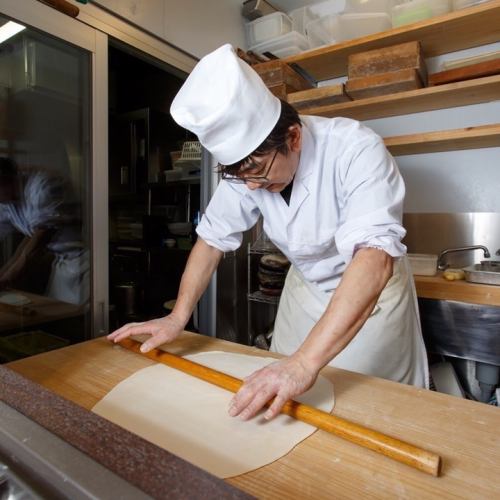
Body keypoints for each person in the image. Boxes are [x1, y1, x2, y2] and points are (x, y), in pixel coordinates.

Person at [108, 44, 428, 422]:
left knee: (365, 411)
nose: (253, 187)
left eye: (259, 172)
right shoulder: (248, 170)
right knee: (286, 408)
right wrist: (178, 316)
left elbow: (373, 259)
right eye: (242, 177)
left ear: (292, 138)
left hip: (370, 294)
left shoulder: (355, 149)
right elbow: (211, 241)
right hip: (305, 289)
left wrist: (303, 364)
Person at [0, 157, 89, 305]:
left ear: (8, 181)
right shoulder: (7, 201)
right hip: (63, 264)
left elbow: (39, 239)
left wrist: (9, 275)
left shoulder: (41, 187)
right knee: (58, 313)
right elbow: (27, 240)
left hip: (86, 260)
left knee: (76, 316)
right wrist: (3, 272)